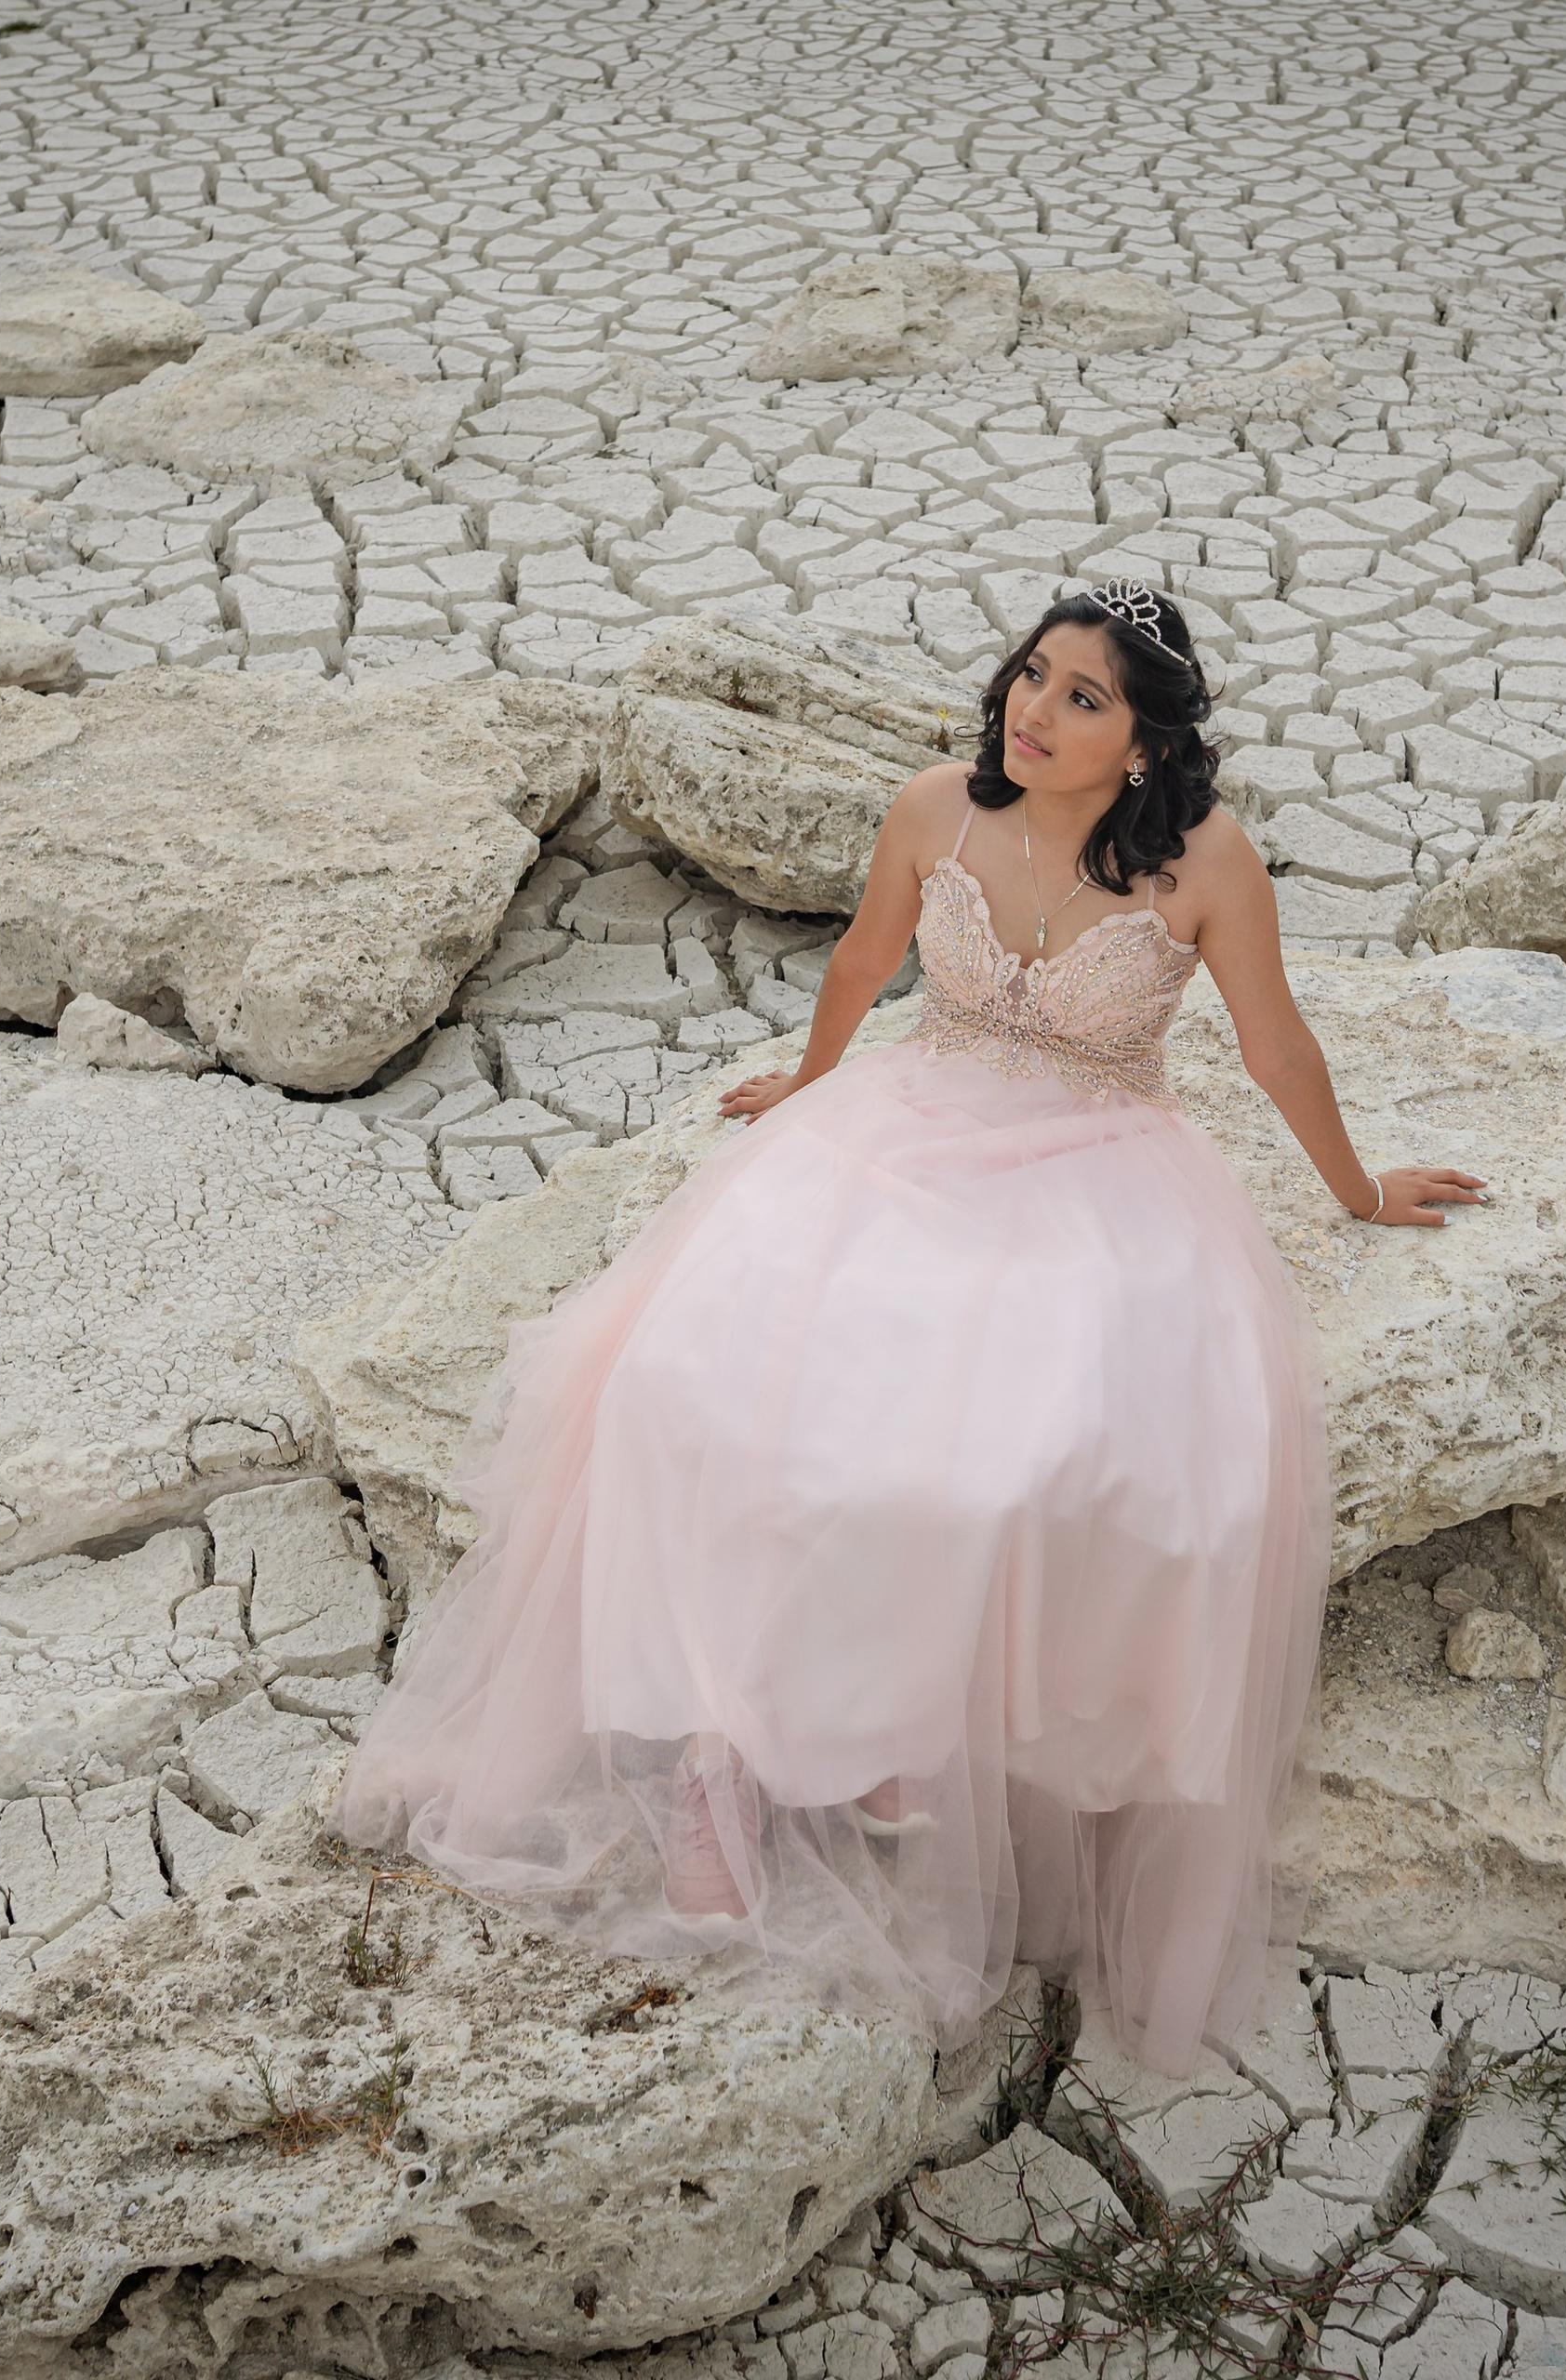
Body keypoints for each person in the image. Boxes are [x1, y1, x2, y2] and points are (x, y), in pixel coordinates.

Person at [332, 581, 1486, 2075]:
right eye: (1033, 675)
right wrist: (809, 1087)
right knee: (697, 1386)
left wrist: (1359, 1186)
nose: (1038, 708)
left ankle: (871, 1732)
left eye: (1085, 697)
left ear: (1144, 744)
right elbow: (869, 962)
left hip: (1094, 1177)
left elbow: (1274, 1046)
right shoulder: (938, 803)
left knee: (995, 1460)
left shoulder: (1204, 863)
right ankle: (719, 1755)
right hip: (905, 1129)